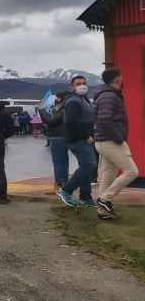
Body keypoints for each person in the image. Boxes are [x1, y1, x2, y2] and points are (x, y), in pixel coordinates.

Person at [93, 68, 138, 219]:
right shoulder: (109, 95)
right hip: (110, 141)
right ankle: (105, 199)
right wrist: (118, 138)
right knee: (132, 172)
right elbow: (105, 119)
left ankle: (103, 212)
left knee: (109, 175)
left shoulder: (106, 94)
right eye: (121, 76)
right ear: (117, 79)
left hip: (104, 141)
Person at [56, 76, 97, 207]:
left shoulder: (83, 99)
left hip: (83, 138)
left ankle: (85, 197)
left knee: (85, 166)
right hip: (78, 139)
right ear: (72, 86)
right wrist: (86, 136)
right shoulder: (73, 101)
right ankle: (66, 190)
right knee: (90, 164)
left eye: (84, 83)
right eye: (78, 84)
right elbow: (71, 122)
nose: (82, 86)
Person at [38, 92, 71, 195]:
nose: (55, 99)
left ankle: (59, 184)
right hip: (64, 136)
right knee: (64, 161)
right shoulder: (67, 107)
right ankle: (65, 182)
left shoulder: (61, 108)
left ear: (60, 98)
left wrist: (41, 110)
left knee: (58, 162)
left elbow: (51, 120)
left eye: (56, 97)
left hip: (57, 136)